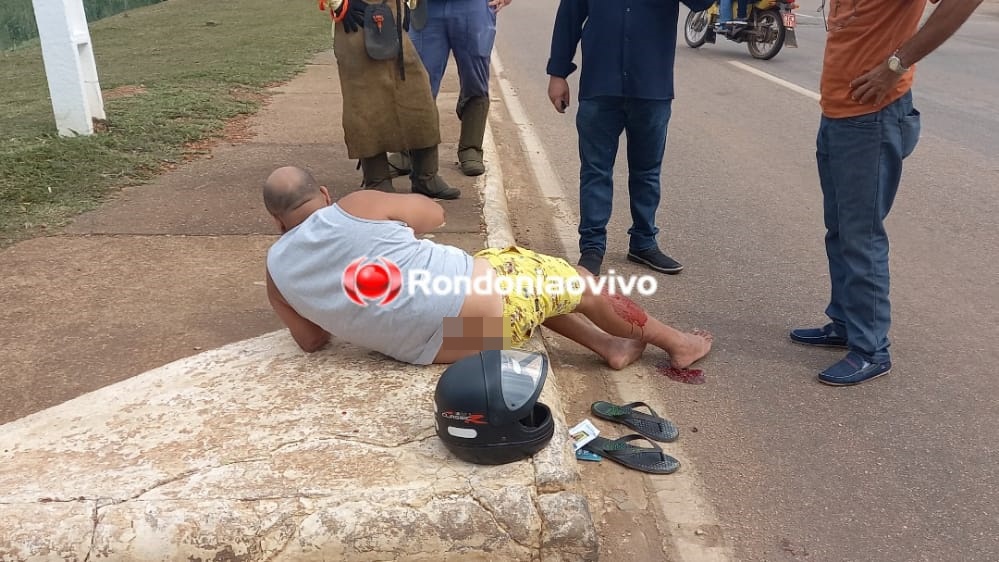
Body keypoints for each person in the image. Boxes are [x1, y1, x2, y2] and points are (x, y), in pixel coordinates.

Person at [262, 166, 713, 370]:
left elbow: (311, 340)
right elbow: (433, 215)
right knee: (579, 283)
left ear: (277, 221)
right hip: (491, 317)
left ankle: (608, 345)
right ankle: (679, 344)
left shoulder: (276, 271)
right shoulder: (355, 205)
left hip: (443, 349)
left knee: (513, 277)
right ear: (324, 194)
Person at [790, 0, 982, 386]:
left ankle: (871, 349)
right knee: (840, 230)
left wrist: (896, 64)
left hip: (872, 116)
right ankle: (846, 323)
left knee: (861, 236)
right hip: (839, 113)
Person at [546, 0, 713, 277]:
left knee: (647, 172)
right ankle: (592, 247)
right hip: (600, 86)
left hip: (651, 87)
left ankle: (643, 242)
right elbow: (569, 18)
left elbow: (702, 3)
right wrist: (557, 73)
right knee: (595, 171)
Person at [324, 0, 460, 199]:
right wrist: (337, 3)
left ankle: (426, 176)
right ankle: (377, 181)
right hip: (355, 21)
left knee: (419, 97)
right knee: (365, 104)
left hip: (394, 17)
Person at [388, 0, 512, 179]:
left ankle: (471, 147)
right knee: (419, 80)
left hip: (474, 7)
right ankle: (408, 151)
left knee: (474, 76)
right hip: (427, 8)